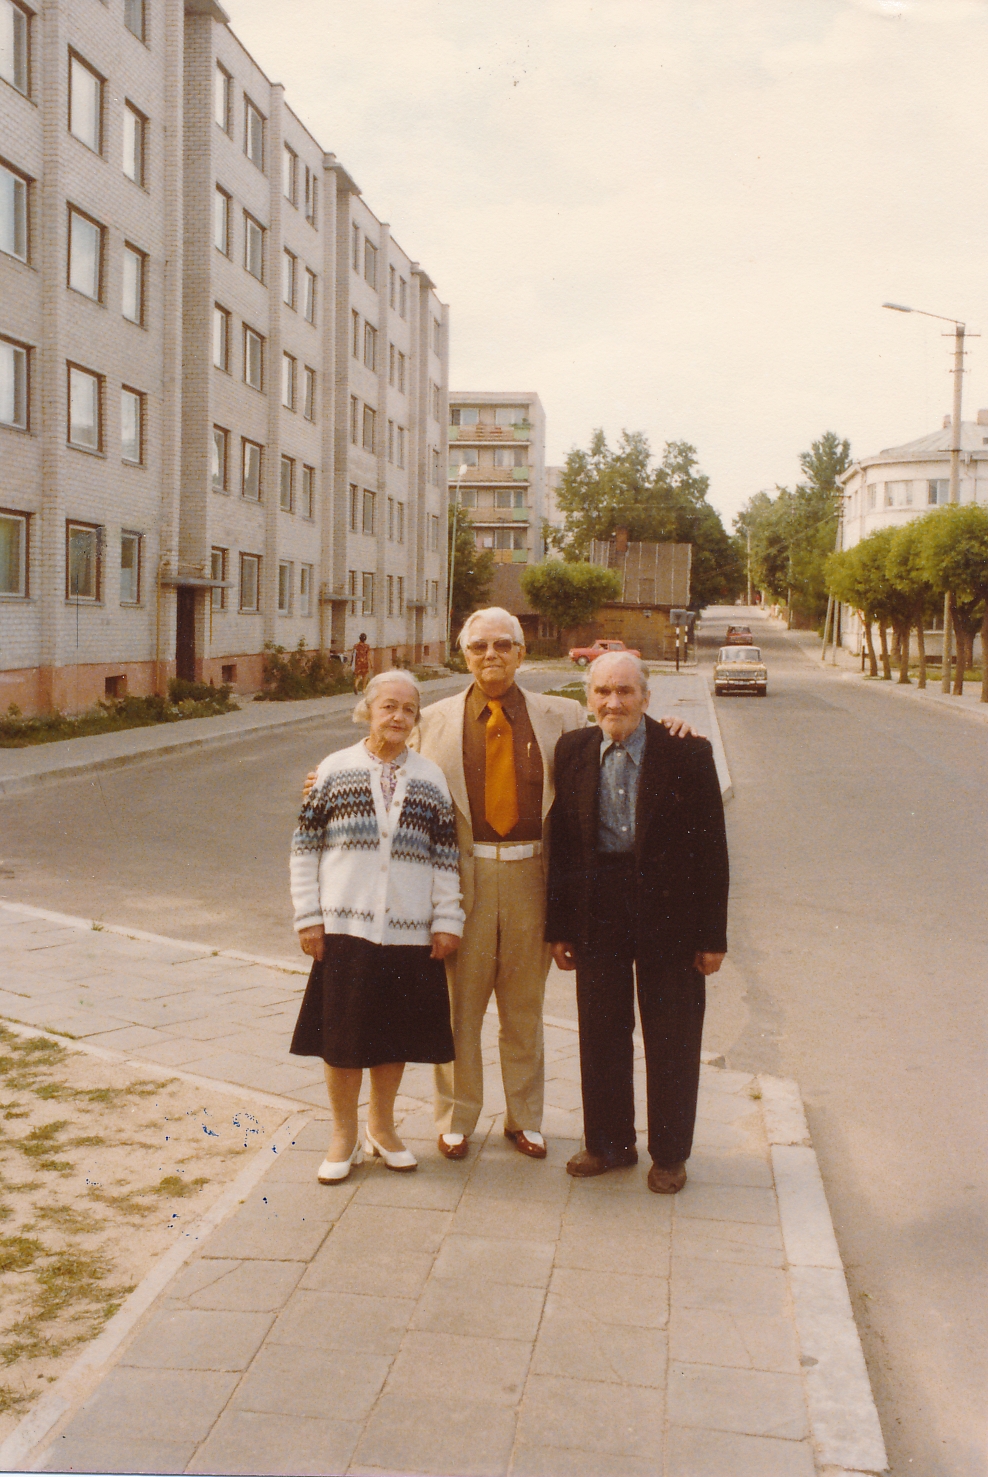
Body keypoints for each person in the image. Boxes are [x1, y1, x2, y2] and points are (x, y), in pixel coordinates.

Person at [414, 607, 702, 1163]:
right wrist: (326, 776)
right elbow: (389, 760)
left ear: (522, 652)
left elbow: (619, 734)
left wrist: (675, 730)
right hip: (462, 879)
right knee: (459, 1009)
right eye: (478, 647)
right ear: (463, 654)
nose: (490, 655)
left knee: (524, 1010)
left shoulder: (561, 715)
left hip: (531, 877)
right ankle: (456, 1118)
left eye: (503, 644)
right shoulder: (433, 721)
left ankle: (525, 1118)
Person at [545, 651, 729, 1194]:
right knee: (601, 1028)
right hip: (596, 909)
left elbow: (713, 852)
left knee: (672, 1033)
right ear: (589, 699)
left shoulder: (687, 753)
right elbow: (564, 847)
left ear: (647, 698)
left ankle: (670, 1153)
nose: (613, 702)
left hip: (670, 915)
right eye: (602, 691)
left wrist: (712, 936)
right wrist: (559, 927)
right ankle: (609, 1143)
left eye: (625, 691)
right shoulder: (573, 749)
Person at [290, 670, 463, 1184]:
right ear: (368, 708)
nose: (398, 717)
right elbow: (305, 850)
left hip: (410, 931)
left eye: (409, 709)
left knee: (394, 1036)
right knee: (342, 1037)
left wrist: (447, 919)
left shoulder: (431, 777)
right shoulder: (333, 769)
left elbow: (445, 857)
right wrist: (309, 917)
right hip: (345, 928)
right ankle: (343, 1134)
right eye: (389, 706)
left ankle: (382, 1128)